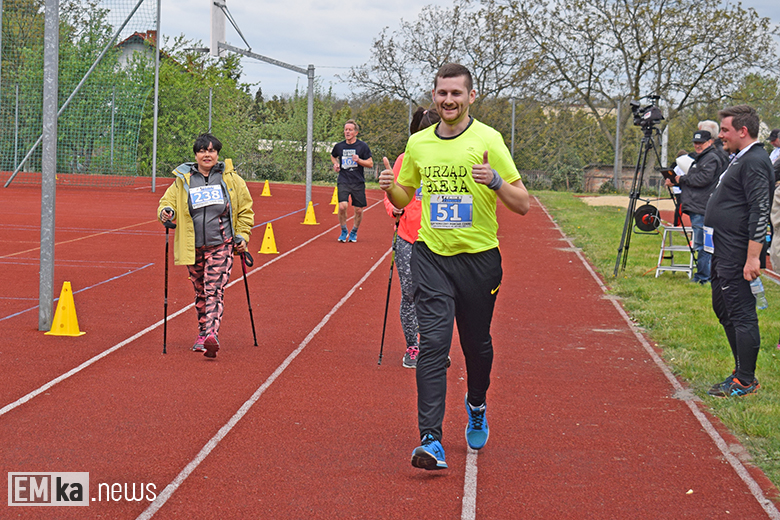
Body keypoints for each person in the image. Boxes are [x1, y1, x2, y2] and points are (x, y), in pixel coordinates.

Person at [379, 63, 530, 470]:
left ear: (470, 97)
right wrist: (388, 187)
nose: (449, 100)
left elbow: (523, 204)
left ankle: (476, 403)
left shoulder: (488, 140)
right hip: (431, 257)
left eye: (456, 94)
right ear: (434, 95)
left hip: (479, 260)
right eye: (442, 93)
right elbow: (403, 194)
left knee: (477, 346)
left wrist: (496, 181)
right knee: (433, 346)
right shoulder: (419, 144)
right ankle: (431, 439)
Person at [157, 133, 255, 359]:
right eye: (202, 151)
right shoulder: (183, 180)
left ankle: (211, 334)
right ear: (196, 155)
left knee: (214, 289)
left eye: (211, 150)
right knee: (201, 291)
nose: (207, 155)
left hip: (221, 243)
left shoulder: (231, 180)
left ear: (217, 154)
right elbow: (167, 202)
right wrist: (165, 212)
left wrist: (242, 235)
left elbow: (245, 211)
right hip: (193, 246)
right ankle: (203, 333)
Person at [704, 105, 773, 397]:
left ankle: (746, 379)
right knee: (723, 306)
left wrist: (753, 257)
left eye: (725, 130)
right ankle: (739, 370)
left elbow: (760, 210)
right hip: (722, 246)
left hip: (737, 249)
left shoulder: (755, 160)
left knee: (742, 313)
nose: (721, 136)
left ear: (743, 131)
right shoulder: (739, 159)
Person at [384, 107, 441, 369]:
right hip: (408, 237)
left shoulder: (448, 161)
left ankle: (433, 345)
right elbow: (391, 195)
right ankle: (413, 346)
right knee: (410, 294)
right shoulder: (403, 160)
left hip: (441, 240)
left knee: (439, 295)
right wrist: (393, 207)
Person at [665, 129, 726, 283]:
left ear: (710, 142)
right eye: (695, 143)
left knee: (703, 243)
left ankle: (703, 277)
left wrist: (680, 180)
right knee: (703, 242)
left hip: (702, 205)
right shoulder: (702, 158)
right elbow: (696, 178)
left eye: (701, 143)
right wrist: (676, 180)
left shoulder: (710, 158)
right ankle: (705, 275)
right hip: (698, 205)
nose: (697, 145)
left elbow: (702, 179)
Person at [331, 120, 373, 243]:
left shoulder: (362, 146)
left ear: (356, 132)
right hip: (344, 180)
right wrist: (336, 164)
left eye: (350, 130)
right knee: (342, 206)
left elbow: (370, 163)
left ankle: (354, 231)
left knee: (358, 210)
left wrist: (358, 160)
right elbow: (333, 156)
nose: (347, 132)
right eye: (345, 129)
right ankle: (344, 230)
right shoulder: (339, 146)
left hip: (358, 182)